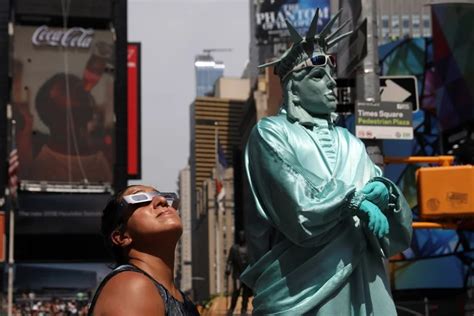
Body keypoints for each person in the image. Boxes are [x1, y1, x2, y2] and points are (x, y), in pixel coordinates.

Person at [242, 9, 413, 315]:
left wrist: (386, 194)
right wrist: (354, 200)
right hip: (301, 285)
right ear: (294, 87)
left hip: (365, 277)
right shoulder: (270, 133)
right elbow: (294, 203)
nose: (332, 84)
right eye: (319, 77)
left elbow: (394, 227)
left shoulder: (352, 142)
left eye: (332, 77)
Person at [88, 185, 199, 315]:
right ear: (122, 237)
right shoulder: (131, 287)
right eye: (140, 198)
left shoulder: (182, 299)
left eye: (161, 195)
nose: (161, 200)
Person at [225, 231, 252, 315]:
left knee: (245, 294)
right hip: (237, 275)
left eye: (243, 236)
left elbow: (253, 261)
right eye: (240, 236)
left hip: (247, 275)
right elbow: (229, 261)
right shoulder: (234, 248)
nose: (241, 237)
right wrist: (228, 269)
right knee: (236, 292)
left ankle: (244, 310)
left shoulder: (249, 249)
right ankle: (231, 309)